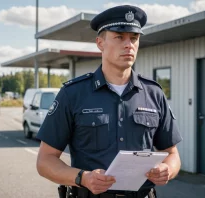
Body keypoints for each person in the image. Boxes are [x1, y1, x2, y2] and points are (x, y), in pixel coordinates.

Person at [36, 5, 183, 198]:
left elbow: (172, 154)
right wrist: (83, 177)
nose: (128, 44)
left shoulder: (153, 93)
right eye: (119, 37)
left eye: (134, 38)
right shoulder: (73, 94)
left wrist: (167, 170)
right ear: (100, 43)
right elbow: (45, 160)